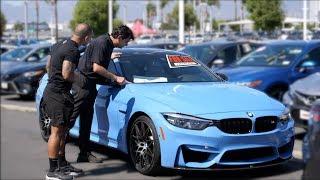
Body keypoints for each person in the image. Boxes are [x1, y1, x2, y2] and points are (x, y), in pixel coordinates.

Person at [69, 25, 134, 163]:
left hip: (89, 85)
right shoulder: (103, 42)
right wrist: (115, 78)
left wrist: (109, 56)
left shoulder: (107, 44)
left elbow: (96, 57)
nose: (126, 44)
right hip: (83, 84)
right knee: (70, 120)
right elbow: (96, 68)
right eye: (126, 41)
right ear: (120, 37)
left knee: (86, 120)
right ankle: (58, 157)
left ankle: (84, 154)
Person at [43, 23, 93, 180]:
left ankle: (62, 164)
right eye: (90, 37)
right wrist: (80, 79)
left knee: (63, 132)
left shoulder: (60, 44)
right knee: (56, 132)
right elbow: (66, 74)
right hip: (57, 95)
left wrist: (54, 78)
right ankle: (52, 171)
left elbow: (48, 65)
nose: (90, 40)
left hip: (56, 92)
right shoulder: (72, 50)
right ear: (85, 37)